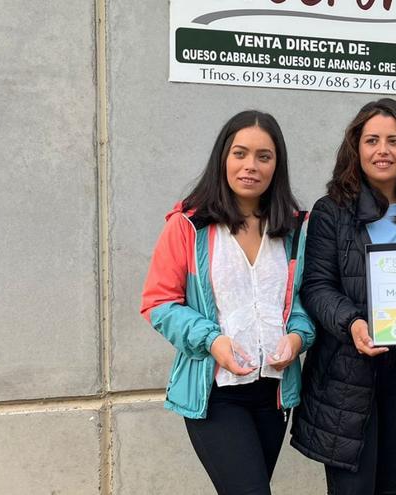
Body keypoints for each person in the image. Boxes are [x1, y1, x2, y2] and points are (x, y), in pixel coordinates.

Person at [140, 110, 314, 495]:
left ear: (276, 165)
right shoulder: (187, 225)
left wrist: (299, 338)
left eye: (263, 156)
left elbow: (301, 302)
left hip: (273, 394)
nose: (250, 165)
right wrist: (213, 340)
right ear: (224, 158)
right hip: (214, 393)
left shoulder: (293, 230)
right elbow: (159, 303)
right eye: (240, 153)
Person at [290, 98, 396, 495]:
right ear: (356, 148)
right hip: (348, 373)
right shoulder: (331, 212)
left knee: (395, 485)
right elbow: (317, 287)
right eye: (372, 140)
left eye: (394, 140)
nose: (383, 150)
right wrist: (352, 322)